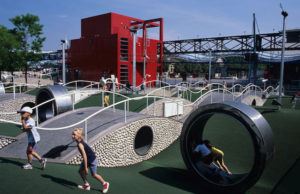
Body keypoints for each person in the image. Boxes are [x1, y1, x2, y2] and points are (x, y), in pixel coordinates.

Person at [72, 128, 110, 193]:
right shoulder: (79, 141)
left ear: (78, 136)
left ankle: (105, 183)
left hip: (92, 160)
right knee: (80, 171)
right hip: (87, 159)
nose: (72, 136)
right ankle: (87, 185)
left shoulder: (80, 144)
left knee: (94, 175)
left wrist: (86, 167)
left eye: (74, 134)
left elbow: (85, 156)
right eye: (72, 134)